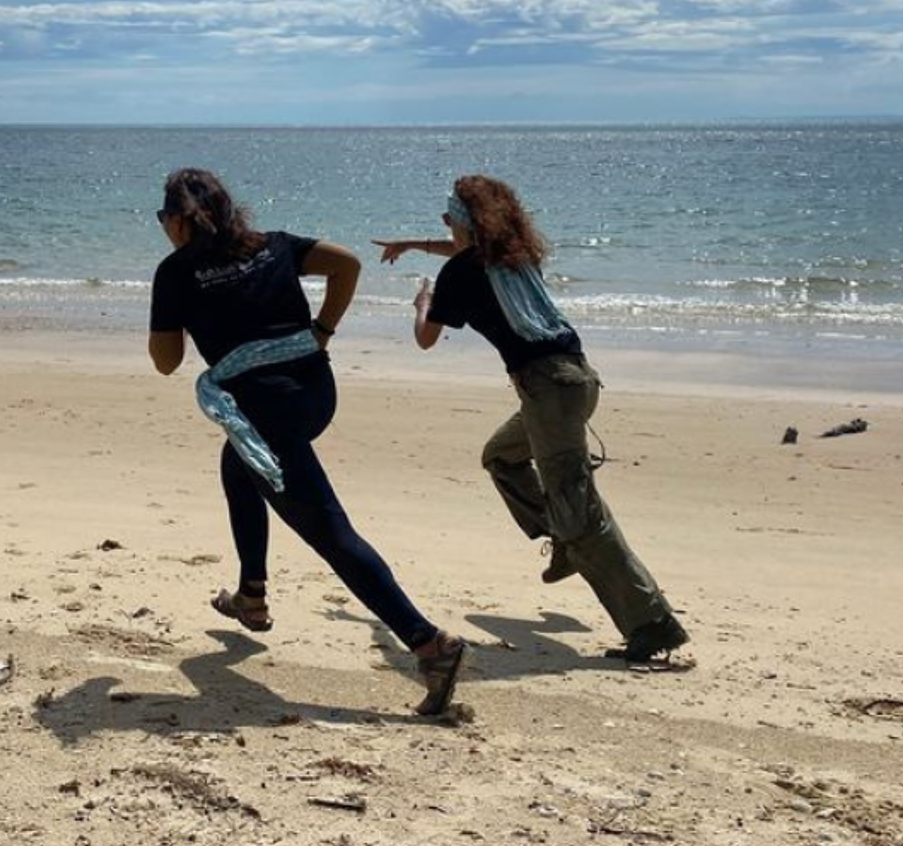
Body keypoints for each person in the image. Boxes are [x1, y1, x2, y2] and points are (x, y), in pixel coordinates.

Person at [149, 168, 467, 714]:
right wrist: (322, 330)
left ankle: (428, 643)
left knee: (329, 531)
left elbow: (167, 362)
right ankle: (251, 595)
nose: (163, 228)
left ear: (178, 221)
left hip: (266, 410)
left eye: (162, 218)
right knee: (237, 464)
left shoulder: (177, 271)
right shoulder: (271, 245)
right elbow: (347, 262)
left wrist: (177, 316)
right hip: (316, 392)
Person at [377, 174, 690, 664]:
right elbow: (464, 252)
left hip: (548, 392)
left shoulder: (461, 274)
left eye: (449, 218)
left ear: (467, 223)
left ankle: (652, 625)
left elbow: (426, 338)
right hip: (576, 382)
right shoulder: (516, 258)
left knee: (582, 513)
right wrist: (416, 245)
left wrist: (422, 304)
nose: (444, 224)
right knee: (501, 457)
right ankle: (559, 536)